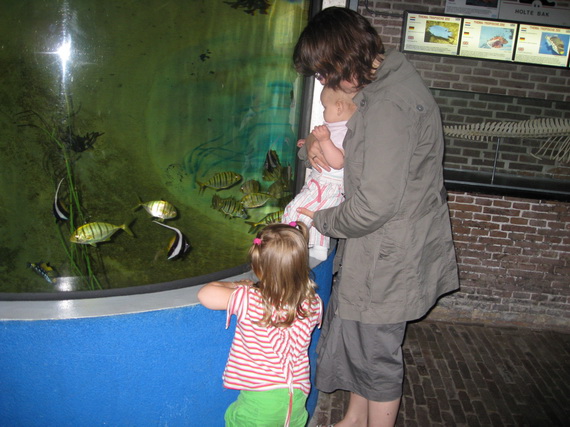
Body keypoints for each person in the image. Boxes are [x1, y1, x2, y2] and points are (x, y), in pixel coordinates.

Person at [292, 7, 460, 427]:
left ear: (342, 59)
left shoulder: (390, 105)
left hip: (390, 253)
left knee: (377, 351)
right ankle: (353, 418)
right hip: (384, 245)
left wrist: (320, 220)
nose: (323, 83)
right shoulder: (382, 84)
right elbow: (353, 156)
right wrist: (311, 149)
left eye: (325, 72)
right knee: (360, 341)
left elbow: (374, 205)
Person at [197, 222, 323, 427]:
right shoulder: (313, 303)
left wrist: (237, 285)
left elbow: (206, 294)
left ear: (260, 268)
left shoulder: (249, 298)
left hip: (260, 401)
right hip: (297, 399)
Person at [282, 86, 356, 261]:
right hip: (321, 185)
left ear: (339, 107)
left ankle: (286, 245)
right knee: (315, 220)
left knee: (294, 210)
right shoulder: (336, 126)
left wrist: (324, 140)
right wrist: (309, 141)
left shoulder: (345, 131)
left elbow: (338, 162)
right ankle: (319, 250)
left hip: (327, 187)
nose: (323, 112)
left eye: (325, 107)